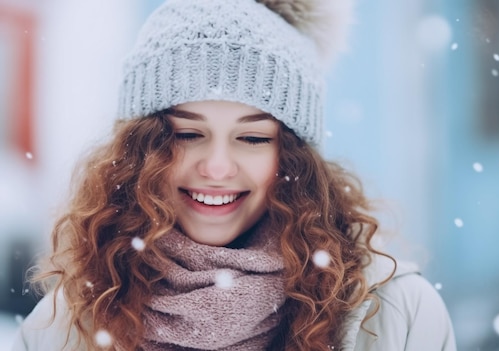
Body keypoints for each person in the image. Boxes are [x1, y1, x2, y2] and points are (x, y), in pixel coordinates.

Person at [12, 0, 456, 350]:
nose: (218, 166)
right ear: (138, 151)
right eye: (187, 134)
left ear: (295, 160)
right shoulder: (61, 331)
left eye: (253, 139)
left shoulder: (396, 316)